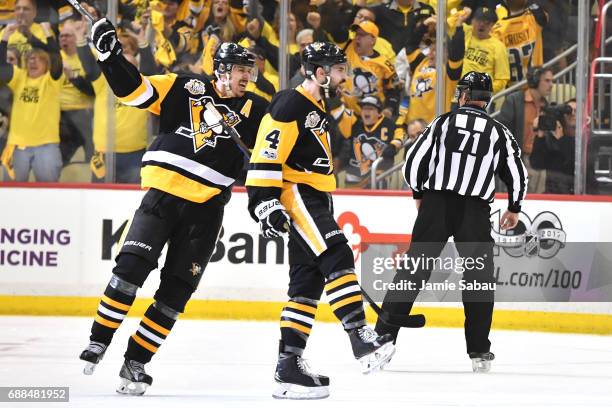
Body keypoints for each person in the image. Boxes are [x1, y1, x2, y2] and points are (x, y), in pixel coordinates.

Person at [78, 15, 268, 395]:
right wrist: (108, 57)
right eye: (241, 71)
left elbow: (270, 158)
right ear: (221, 69)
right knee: (130, 269)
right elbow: (135, 92)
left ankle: (136, 362)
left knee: (176, 291)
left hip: (206, 210)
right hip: (162, 196)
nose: (248, 77)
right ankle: (99, 339)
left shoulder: (258, 111)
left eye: (251, 71)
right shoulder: (185, 87)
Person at [245, 42, 395, 400]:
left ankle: (288, 366)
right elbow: (267, 152)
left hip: (315, 195)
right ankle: (360, 337)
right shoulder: (289, 102)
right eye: (339, 69)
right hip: (297, 193)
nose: (345, 76)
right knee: (337, 254)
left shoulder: (318, 106)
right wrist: (264, 201)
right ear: (320, 72)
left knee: (306, 285)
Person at [375, 72, 527, 373]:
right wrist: (514, 207)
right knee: (479, 279)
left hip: (437, 204)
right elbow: (517, 172)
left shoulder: (443, 122)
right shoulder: (499, 131)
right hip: (475, 210)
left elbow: (415, 161)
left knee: (414, 270)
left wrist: (419, 192)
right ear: (488, 99)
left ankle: (382, 339)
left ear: (464, 95)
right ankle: (479, 352)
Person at [0, 22, 63, 182]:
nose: (33, 62)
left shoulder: (51, 81)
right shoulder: (19, 77)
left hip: (46, 145)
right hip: (16, 145)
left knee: (49, 193)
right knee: (11, 195)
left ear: (46, 64)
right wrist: (5, 37)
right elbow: (1, 65)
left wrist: (48, 34)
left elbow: (56, 59)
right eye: (30, 59)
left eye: (38, 59)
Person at [497, 65, 552, 193]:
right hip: (520, 159)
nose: (551, 85)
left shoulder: (547, 106)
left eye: (552, 81)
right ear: (535, 80)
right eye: (547, 80)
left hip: (539, 161)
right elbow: (502, 131)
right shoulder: (514, 100)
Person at [342, 95, 401, 188]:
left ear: (379, 113)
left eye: (370, 108)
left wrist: (394, 145)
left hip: (378, 173)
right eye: (363, 108)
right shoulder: (355, 124)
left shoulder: (389, 124)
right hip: (354, 171)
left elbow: (400, 135)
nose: (366, 111)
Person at [493, 0, 548, 84]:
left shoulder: (497, 30)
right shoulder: (534, 19)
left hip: (510, 86)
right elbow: (545, 18)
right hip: (533, 84)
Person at [462, 7, 510, 94]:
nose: (482, 24)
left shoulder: (498, 46)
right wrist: (462, 15)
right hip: (457, 96)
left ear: (492, 25)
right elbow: (445, 24)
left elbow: (502, 79)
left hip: (480, 99)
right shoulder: (465, 33)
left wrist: (484, 90)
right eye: (478, 20)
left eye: (486, 22)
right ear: (472, 21)